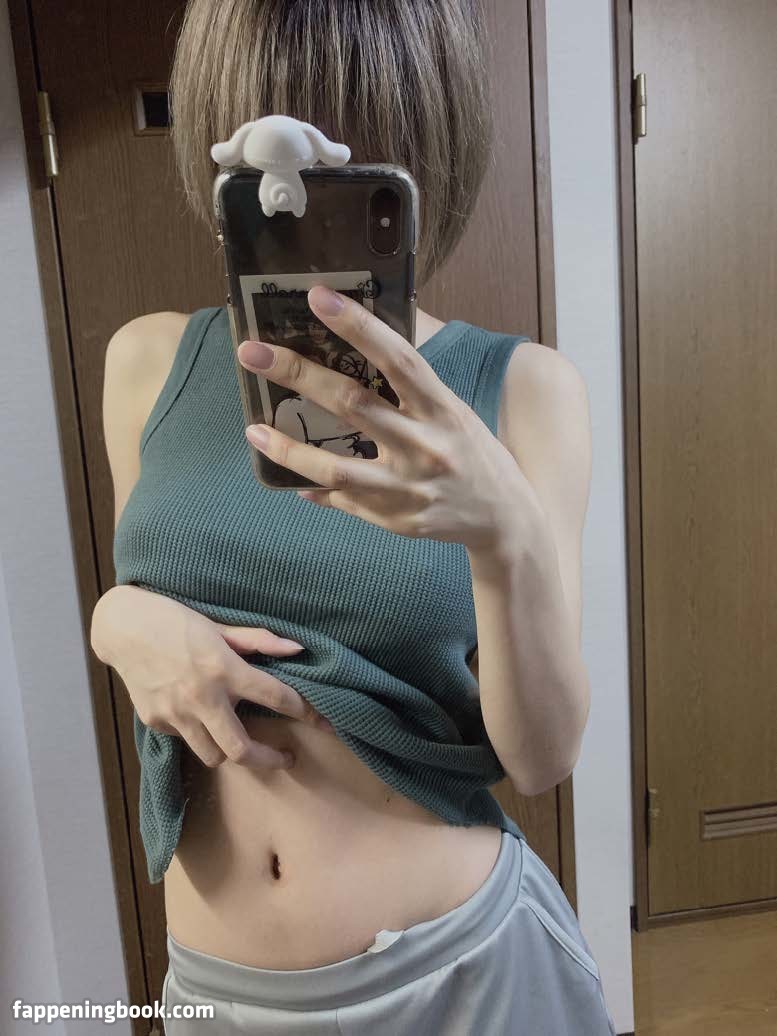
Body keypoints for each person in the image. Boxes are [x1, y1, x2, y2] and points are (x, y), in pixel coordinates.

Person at [90, 1, 617, 1032]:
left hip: (468, 973)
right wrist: (116, 621)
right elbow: (142, 602)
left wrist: (503, 534)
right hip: (221, 994)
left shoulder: (523, 390)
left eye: (348, 155)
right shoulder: (148, 359)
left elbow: (543, 759)